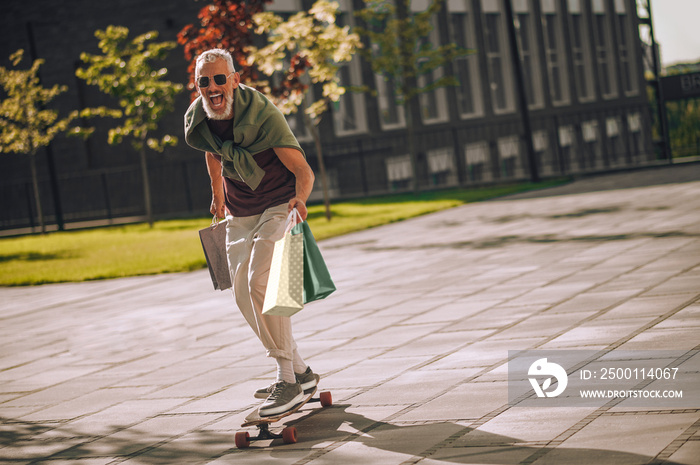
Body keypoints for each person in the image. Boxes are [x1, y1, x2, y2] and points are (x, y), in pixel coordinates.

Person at [184, 48, 317, 417]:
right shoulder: (200, 117)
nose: (212, 87)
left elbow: (303, 170)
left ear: (234, 79)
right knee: (243, 292)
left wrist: (301, 200)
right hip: (240, 211)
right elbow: (213, 152)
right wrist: (217, 196)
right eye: (204, 81)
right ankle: (302, 372)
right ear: (197, 86)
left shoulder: (262, 115)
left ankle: (286, 378)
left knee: (263, 280)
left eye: (219, 79)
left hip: (279, 204)